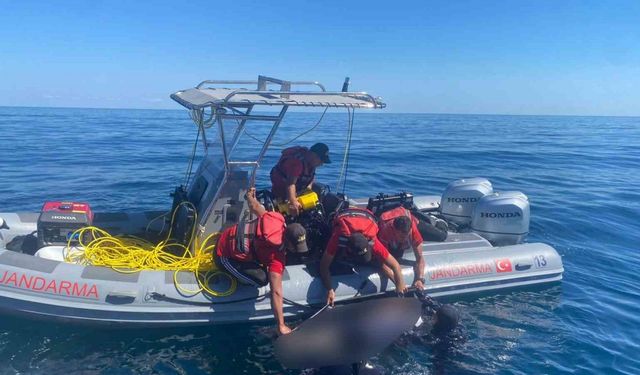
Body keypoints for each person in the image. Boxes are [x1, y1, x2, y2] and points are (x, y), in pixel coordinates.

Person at [215, 188, 308, 335]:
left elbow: (256, 207)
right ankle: (241, 280)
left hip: (229, 234)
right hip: (223, 255)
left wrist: (250, 197)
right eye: (295, 247)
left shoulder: (276, 218)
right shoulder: (276, 257)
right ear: (288, 243)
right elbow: (276, 292)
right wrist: (281, 325)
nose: (296, 251)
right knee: (262, 280)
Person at [319, 207, 407, 306]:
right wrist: (330, 289)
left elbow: (395, 265)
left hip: (365, 217)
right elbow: (323, 266)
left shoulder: (373, 241)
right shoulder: (337, 238)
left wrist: (400, 288)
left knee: (380, 263)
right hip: (346, 217)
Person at [270, 143, 331, 216]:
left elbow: (311, 176)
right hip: (283, 190)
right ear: (313, 155)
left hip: (298, 189)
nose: (322, 164)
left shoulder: (311, 162)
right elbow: (290, 184)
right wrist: (293, 202)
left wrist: (308, 191)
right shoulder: (297, 163)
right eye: (321, 160)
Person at [376, 206, 426, 290]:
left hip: (411, 219)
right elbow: (382, 262)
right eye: (401, 236)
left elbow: (420, 258)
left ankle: (437, 221)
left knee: (441, 235)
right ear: (394, 230)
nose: (403, 239)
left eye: (405, 236)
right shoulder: (385, 231)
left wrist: (419, 279)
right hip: (387, 221)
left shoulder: (412, 231)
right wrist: (398, 283)